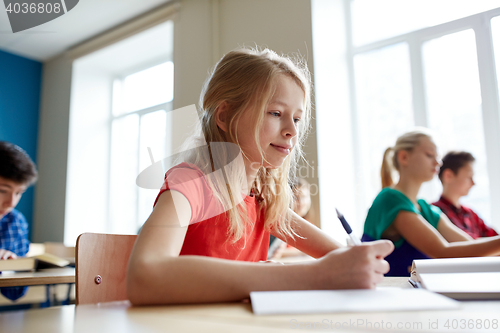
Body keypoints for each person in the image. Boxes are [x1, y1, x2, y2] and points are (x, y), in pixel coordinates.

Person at [127, 48, 394, 305]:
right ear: (225, 115)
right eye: (276, 113)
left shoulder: (263, 198)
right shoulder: (191, 184)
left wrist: (361, 262)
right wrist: (288, 276)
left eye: (297, 119)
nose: (292, 130)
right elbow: (144, 276)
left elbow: (343, 258)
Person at [362, 129, 500, 276]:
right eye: (429, 155)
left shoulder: (426, 208)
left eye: (438, 157)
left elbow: (469, 245)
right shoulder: (390, 199)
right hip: (389, 292)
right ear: (404, 157)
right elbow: (442, 251)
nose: (438, 162)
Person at [0, 141, 38, 300]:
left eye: (19, 193)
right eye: (2, 191)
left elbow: (15, 293)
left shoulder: (15, 222)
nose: (11, 203)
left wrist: (9, 268)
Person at [433, 151, 498, 239]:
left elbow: (493, 237)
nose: (473, 183)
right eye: (468, 177)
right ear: (448, 176)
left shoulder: (470, 213)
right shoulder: (434, 213)